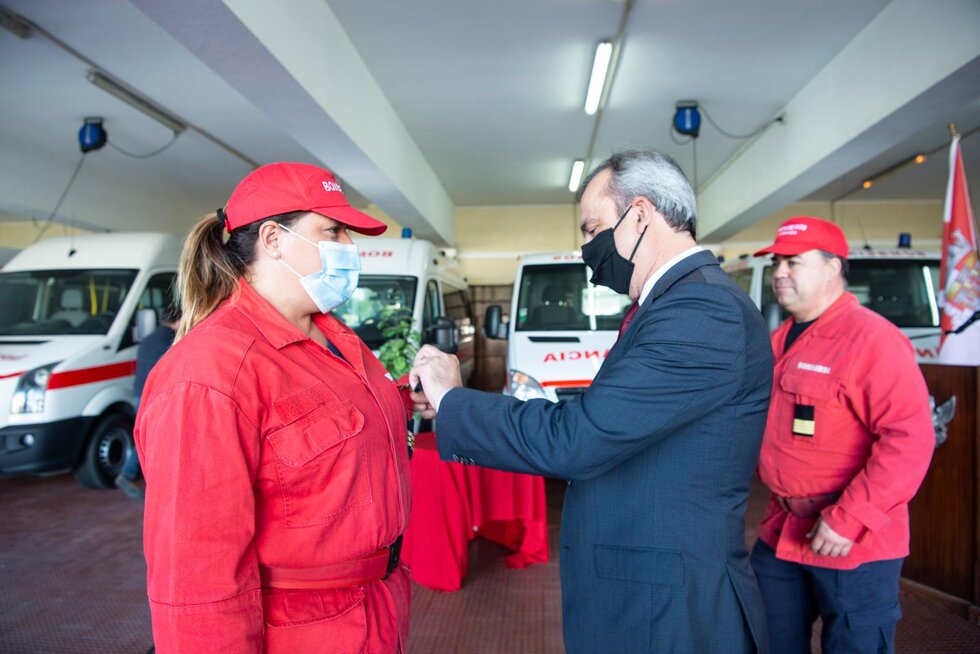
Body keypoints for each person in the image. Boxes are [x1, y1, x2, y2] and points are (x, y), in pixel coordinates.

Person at [411, 150, 773, 653]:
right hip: (645, 587)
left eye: (592, 228)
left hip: (667, 606)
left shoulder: (700, 308)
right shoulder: (674, 303)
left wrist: (454, 401)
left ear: (641, 216)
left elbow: (580, 438)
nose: (587, 247)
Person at [134, 162, 411, 653]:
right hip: (303, 630)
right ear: (273, 238)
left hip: (374, 610)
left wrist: (409, 399)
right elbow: (195, 577)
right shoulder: (207, 374)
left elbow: (339, 423)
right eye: (334, 231)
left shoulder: (334, 336)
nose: (350, 249)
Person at [749, 217, 934, 654]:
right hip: (783, 529)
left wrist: (849, 518)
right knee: (766, 640)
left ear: (833, 268)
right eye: (777, 262)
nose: (780, 272)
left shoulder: (873, 341)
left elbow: (909, 440)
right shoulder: (777, 341)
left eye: (794, 262)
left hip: (852, 538)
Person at [115, 305, 180, 501]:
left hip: (139, 392)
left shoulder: (149, 338)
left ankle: (135, 474)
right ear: (179, 320)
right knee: (153, 438)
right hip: (154, 396)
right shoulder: (169, 340)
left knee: (144, 435)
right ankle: (131, 474)